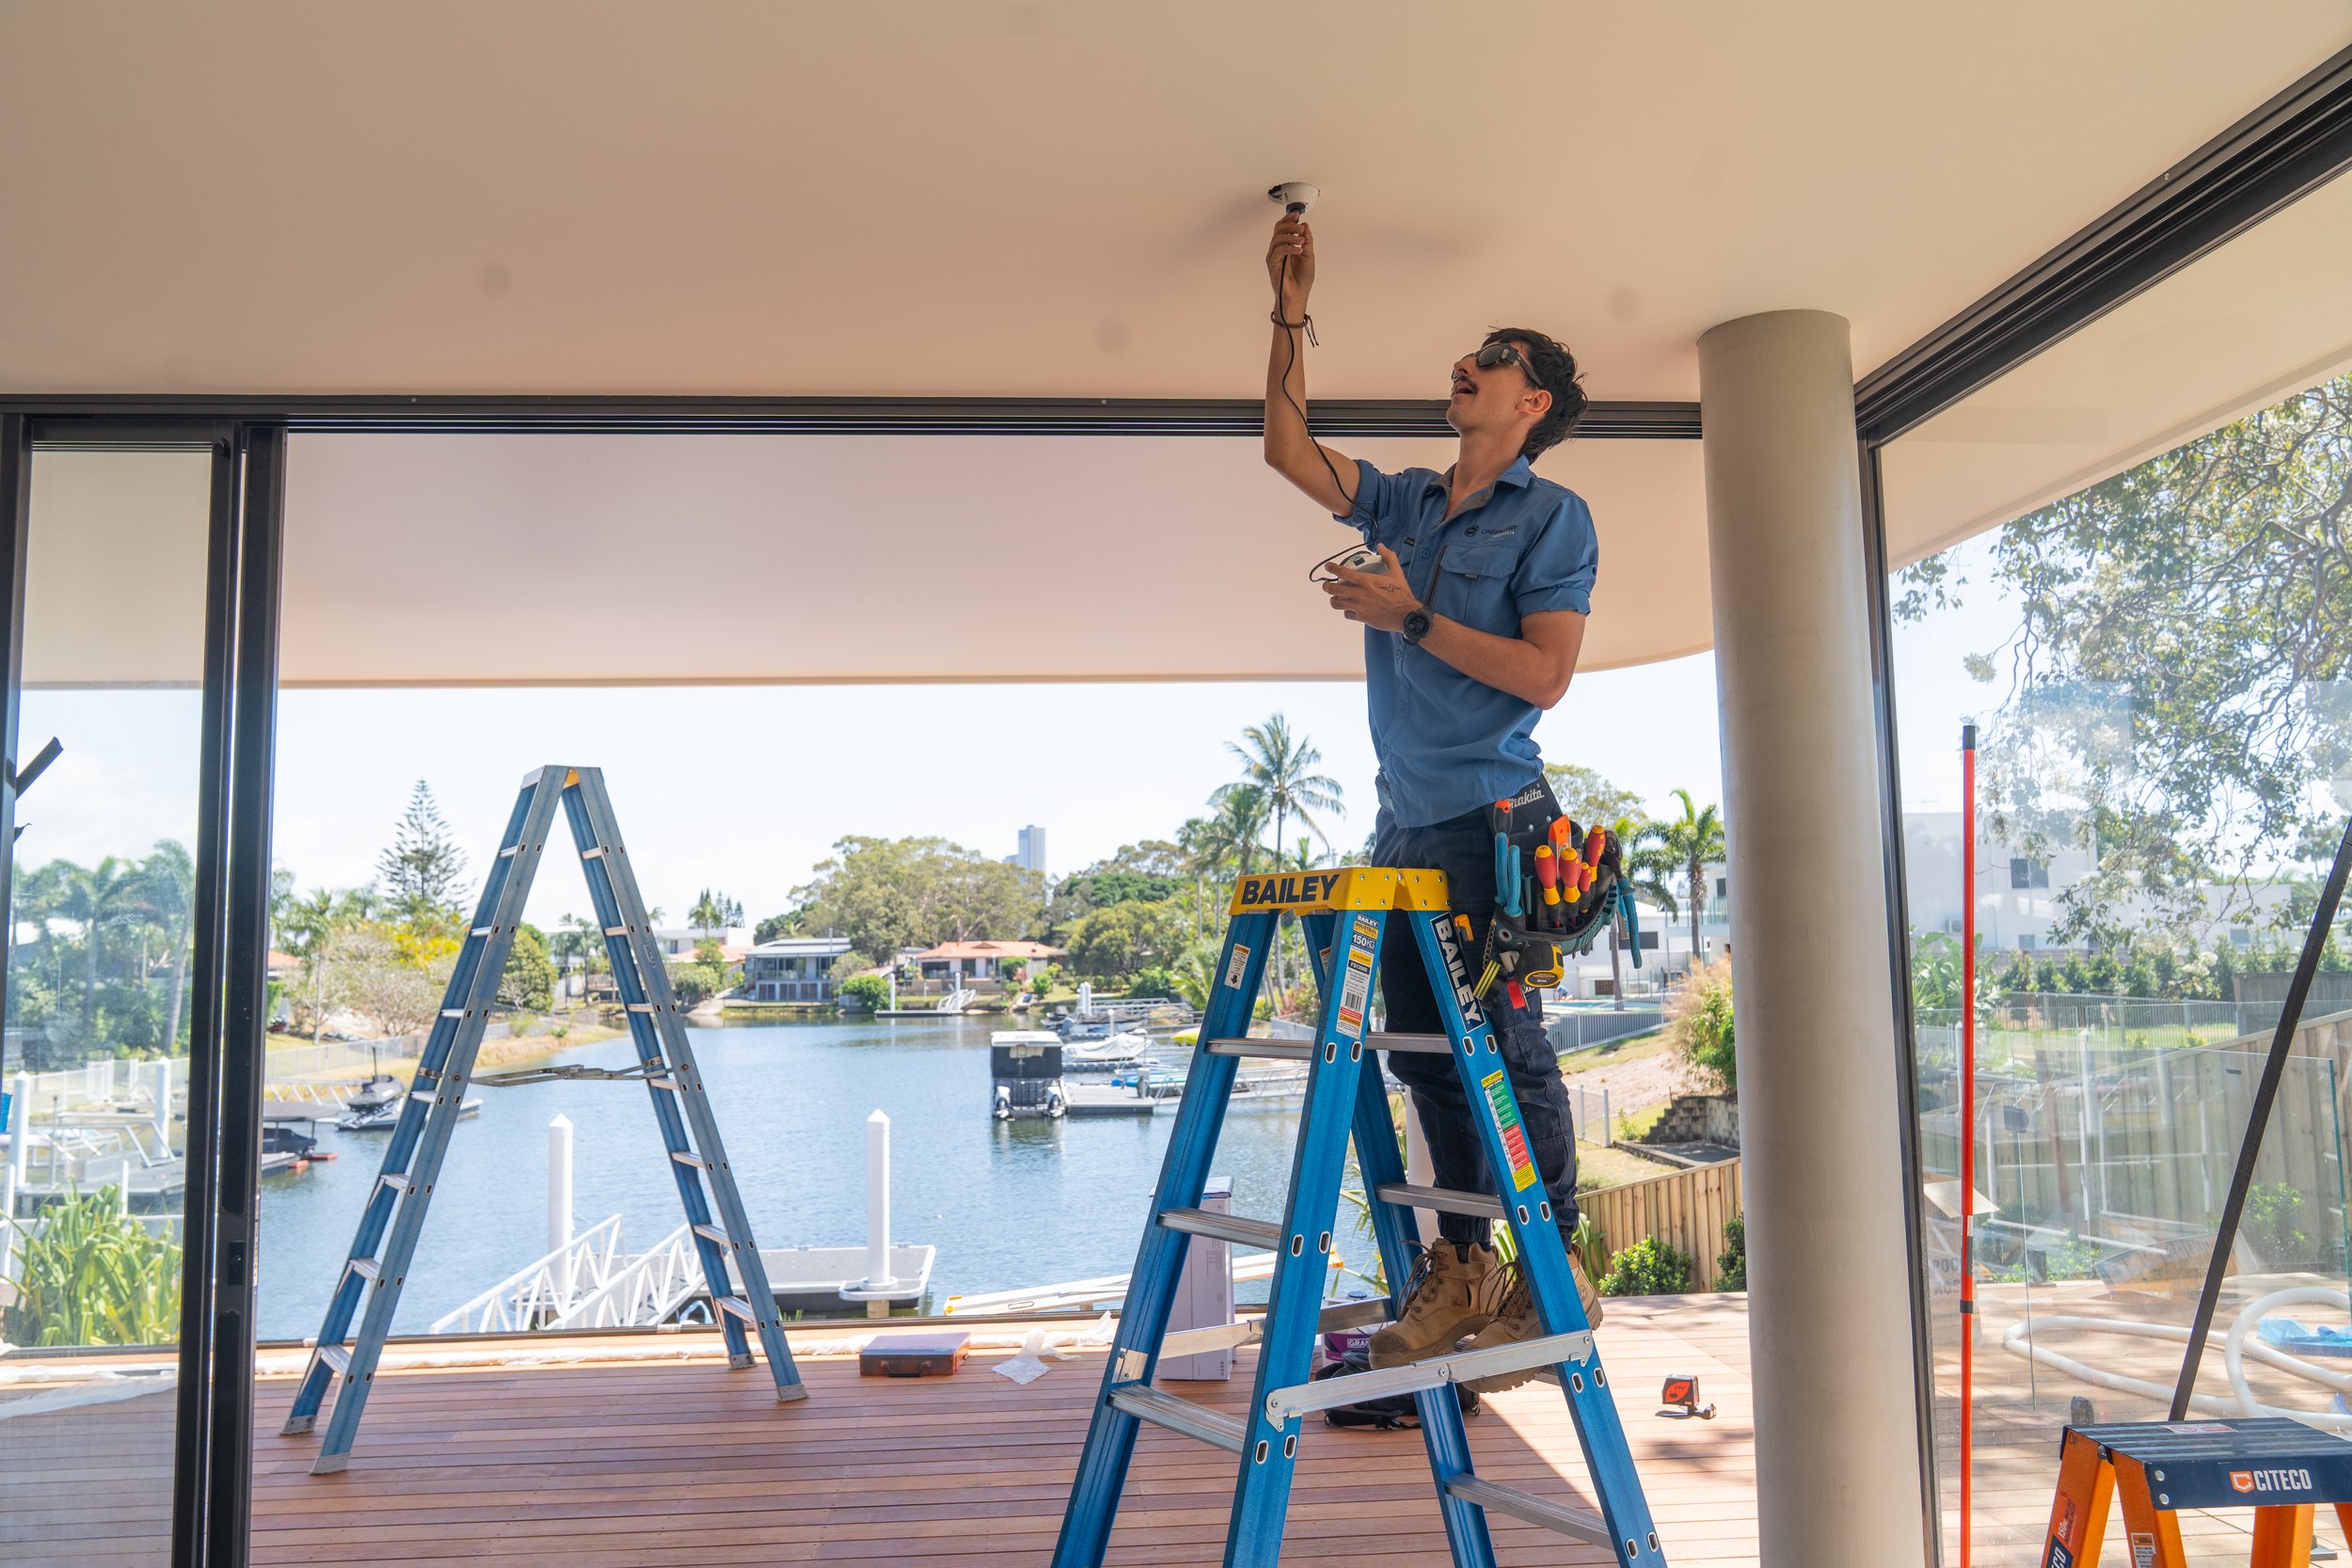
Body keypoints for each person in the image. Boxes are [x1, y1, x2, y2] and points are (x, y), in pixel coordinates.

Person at [1259, 210, 1602, 1390]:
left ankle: (1555, 1269)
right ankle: (1460, 1268)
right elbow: (1287, 450)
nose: (1467, 362)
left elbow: (1545, 674)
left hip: (1495, 820)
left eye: (1494, 358)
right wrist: (1289, 310)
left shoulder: (1552, 517)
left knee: (1503, 1043)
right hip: (1402, 822)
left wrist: (1408, 615)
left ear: (1532, 403)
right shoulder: (1403, 500)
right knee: (1422, 1053)